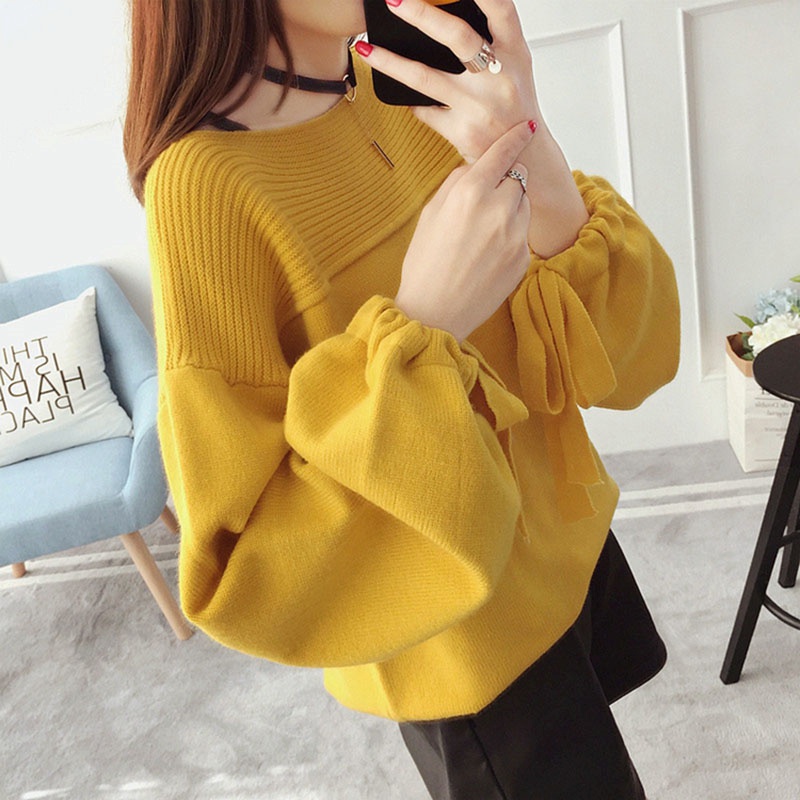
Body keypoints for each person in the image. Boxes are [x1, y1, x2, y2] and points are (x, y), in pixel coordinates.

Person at [124, 1, 680, 797]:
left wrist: (536, 152)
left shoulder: (402, 85)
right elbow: (246, 562)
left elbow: (627, 360)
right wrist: (422, 325)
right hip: (463, 634)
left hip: (564, 547)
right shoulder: (202, 187)